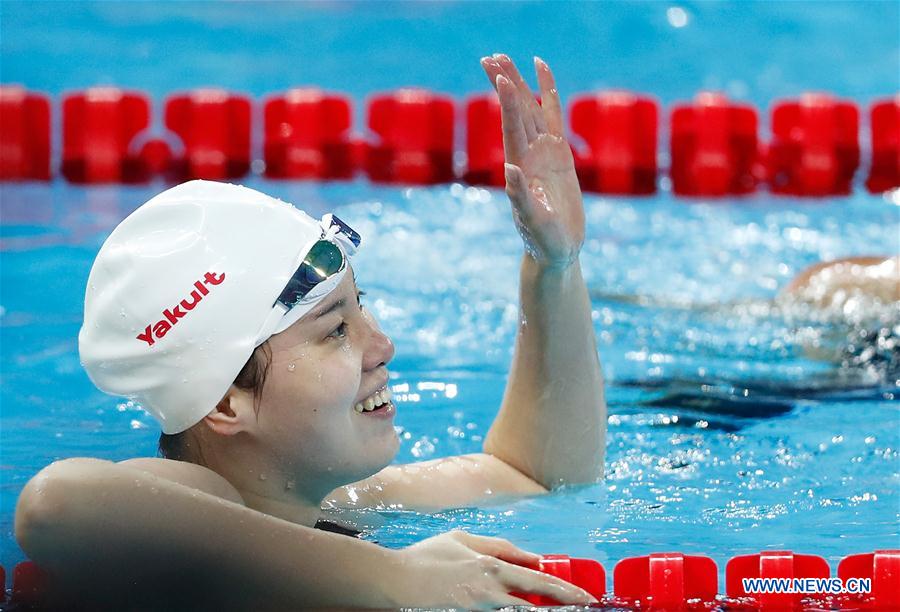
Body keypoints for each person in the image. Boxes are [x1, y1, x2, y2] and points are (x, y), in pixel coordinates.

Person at [14, 54, 606, 609]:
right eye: (334, 331)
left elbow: (535, 473)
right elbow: (55, 506)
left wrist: (552, 268)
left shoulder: (323, 503)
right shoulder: (202, 497)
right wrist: (395, 576)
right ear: (225, 399)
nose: (383, 346)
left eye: (361, 308)